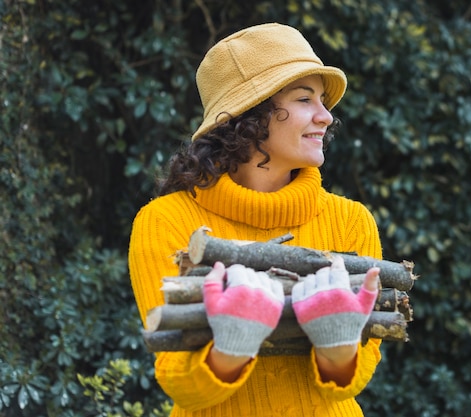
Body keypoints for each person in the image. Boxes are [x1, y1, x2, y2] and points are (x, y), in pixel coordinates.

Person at [128, 22, 384, 417]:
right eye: (304, 99)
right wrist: (232, 346)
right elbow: (177, 380)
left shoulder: (351, 221)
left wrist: (337, 346)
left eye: (323, 101)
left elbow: (355, 376)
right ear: (251, 113)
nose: (326, 116)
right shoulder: (165, 221)